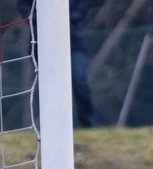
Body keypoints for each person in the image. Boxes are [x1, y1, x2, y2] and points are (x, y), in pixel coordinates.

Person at [17, 0, 98, 128]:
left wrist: (67, 18)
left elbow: (83, 4)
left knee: (79, 80)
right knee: (50, 86)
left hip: (73, 40)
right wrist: (40, 20)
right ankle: (54, 126)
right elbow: (24, 6)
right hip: (42, 42)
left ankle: (89, 123)